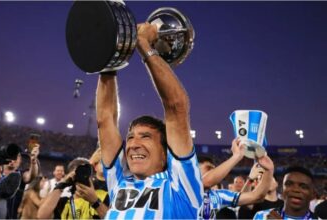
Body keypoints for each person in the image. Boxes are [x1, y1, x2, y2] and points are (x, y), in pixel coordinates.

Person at [96, 22, 203, 219]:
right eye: (130, 138)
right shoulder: (120, 180)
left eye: (145, 137)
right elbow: (105, 119)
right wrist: (111, 57)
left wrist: (143, 44)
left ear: (165, 154)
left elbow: (176, 107)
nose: (133, 145)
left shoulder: (180, 189)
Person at [197, 140, 274, 220]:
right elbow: (206, 181)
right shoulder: (186, 188)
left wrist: (269, 170)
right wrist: (236, 156)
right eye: (208, 168)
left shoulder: (218, 196)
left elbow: (257, 196)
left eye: (214, 169)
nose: (213, 172)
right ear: (195, 171)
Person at [37, 157, 109, 219]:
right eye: (78, 173)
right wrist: (61, 185)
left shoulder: (104, 196)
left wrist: (95, 201)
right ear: (70, 176)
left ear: (91, 175)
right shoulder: (63, 202)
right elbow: (41, 216)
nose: (83, 176)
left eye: (85, 172)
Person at [253, 166, 318, 219]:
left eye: (303, 187)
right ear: (282, 190)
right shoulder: (261, 216)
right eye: (289, 184)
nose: (296, 190)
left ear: (313, 195)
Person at [3, 142, 40, 219]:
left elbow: (31, 176)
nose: (12, 160)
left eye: (16, 157)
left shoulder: (21, 175)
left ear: (20, 160)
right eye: (10, 156)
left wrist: (33, 161)